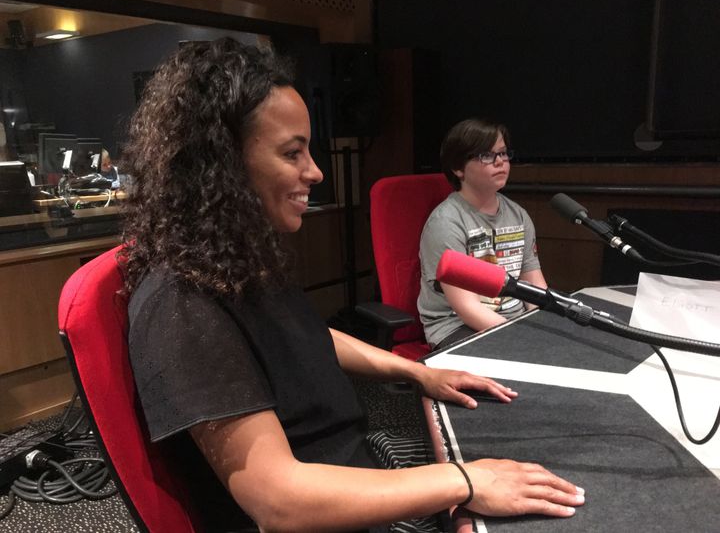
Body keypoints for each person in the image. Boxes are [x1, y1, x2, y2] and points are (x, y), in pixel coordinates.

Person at [120, 38, 583, 532]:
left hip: (353, 479)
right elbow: (279, 501)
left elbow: (304, 337)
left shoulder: (233, 259)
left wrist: (421, 375)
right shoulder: (183, 302)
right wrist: (465, 482)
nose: (315, 171)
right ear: (221, 163)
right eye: (292, 152)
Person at [418, 119, 548, 351]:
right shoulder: (446, 222)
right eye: (486, 156)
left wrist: (546, 328)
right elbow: (467, 308)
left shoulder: (519, 215)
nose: (500, 162)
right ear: (458, 168)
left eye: (503, 153)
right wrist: (523, 341)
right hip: (457, 326)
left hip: (511, 321)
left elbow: (534, 284)